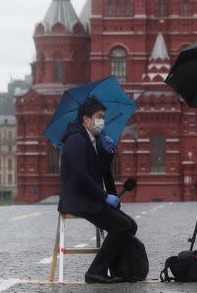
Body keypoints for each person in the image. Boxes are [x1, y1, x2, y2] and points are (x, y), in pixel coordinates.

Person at [58, 96, 137, 284]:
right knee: (121, 226)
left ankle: (119, 271)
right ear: (86, 119)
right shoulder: (76, 140)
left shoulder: (92, 139)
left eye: (103, 116)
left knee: (130, 225)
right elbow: (80, 175)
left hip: (90, 197)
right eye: (99, 116)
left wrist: (107, 152)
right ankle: (95, 272)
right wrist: (104, 196)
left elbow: (100, 171)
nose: (102, 120)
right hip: (79, 199)